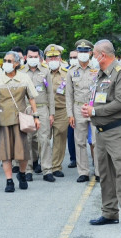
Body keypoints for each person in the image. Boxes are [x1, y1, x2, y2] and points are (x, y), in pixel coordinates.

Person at [81, 39, 121, 228]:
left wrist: (95, 112)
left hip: (117, 130)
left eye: (94, 54)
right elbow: (98, 99)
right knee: (105, 174)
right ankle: (109, 212)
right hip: (101, 131)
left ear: (102, 55)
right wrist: (89, 108)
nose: (92, 58)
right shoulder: (99, 74)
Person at [0, 51, 40, 192]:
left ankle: (22, 174)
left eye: (10, 61)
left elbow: (32, 98)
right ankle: (9, 180)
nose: (6, 63)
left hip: (20, 120)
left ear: (16, 63)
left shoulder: (24, 78)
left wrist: (36, 116)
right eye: (5, 60)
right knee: (5, 153)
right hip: (3, 120)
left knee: (22, 152)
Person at [66, 39, 100, 183]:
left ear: (91, 53)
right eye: (80, 52)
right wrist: (70, 114)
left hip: (94, 107)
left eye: (85, 51)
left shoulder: (98, 69)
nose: (83, 54)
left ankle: (99, 171)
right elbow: (68, 94)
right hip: (78, 108)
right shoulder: (72, 71)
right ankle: (83, 172)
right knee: (79, 142)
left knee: (97, 141)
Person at [20, 45, 55, 182]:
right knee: (27, 140)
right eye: (30, 57)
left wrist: (51, 113)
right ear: (25, 57)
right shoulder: (21, 72)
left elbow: (50, 93)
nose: (33, 59)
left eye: (35, 57)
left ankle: (47, 170)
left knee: (44, 139)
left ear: (39, 58)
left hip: (42, 108)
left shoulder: (45, 71)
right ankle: (28, 169)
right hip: (27, 109)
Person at [44, 44, 69, 177]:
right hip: (45, 110)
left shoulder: (67, 73)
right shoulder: (41, 72)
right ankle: (44, 165)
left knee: (59, 138)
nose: (53, 60)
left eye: (56, 57)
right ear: (46, 59)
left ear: (60, 58)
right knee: (44, 138)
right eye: (50, 57)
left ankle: (56, 166)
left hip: (61, 109)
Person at [66, 50, 78, 169]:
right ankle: (73, 158)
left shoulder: (93, 70)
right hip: (72, 107)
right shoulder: (67, 71)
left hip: (86, 107)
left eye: (75, 57)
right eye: (71, 57)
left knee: (92, 139)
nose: (73, 59)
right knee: (71, 135)